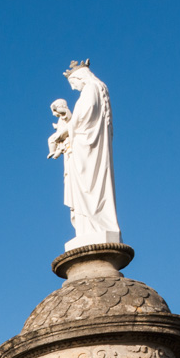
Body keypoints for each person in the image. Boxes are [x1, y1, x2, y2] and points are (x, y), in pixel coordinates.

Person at [56, 59, 121, 247]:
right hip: (89, 145)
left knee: (89, 186)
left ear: (79, 77)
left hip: (87, 148)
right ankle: (89, 227)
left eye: (73, 83)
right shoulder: (99, 89)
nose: (74, 88)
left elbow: (83, 118)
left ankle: (94, 226)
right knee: (90, 187)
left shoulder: (91, 89)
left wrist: (65, 130)